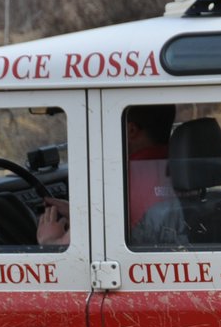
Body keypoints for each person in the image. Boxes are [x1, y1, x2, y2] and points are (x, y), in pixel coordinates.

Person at [37, 105, 177, 247]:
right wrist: (79, 212)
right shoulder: (183, 167)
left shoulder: (114, 177)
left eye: (108, 127)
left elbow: (82, 246)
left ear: (131, 130)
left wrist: (51, 241)